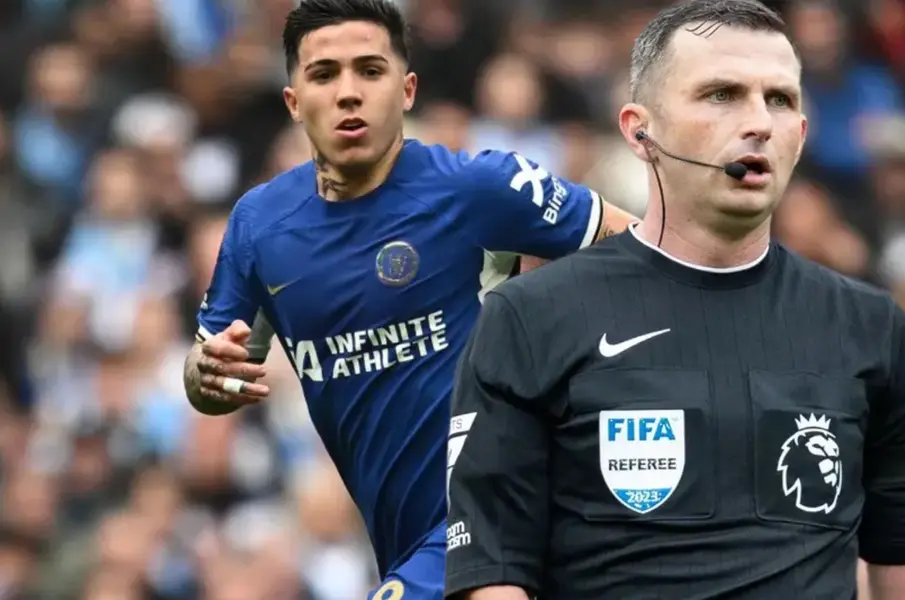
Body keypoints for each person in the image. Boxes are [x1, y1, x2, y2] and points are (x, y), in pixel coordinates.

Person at [444, 1, 905, 599]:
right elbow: (492, 578)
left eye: (780, 99)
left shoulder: (871, 327)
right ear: (641, 132)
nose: (759, 123)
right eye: (722, 94)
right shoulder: (531, 318)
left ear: (801, 133)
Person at [180, 0, 634, 598]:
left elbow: (643, 250)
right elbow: (207, 378)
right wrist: (206, 375)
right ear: (293, 101)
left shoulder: (478, 188)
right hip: (406, 538)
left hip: (501, 509)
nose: (349, 93)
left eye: (370, 71)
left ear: (407, 89)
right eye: (324, 75)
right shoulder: (258, 227)